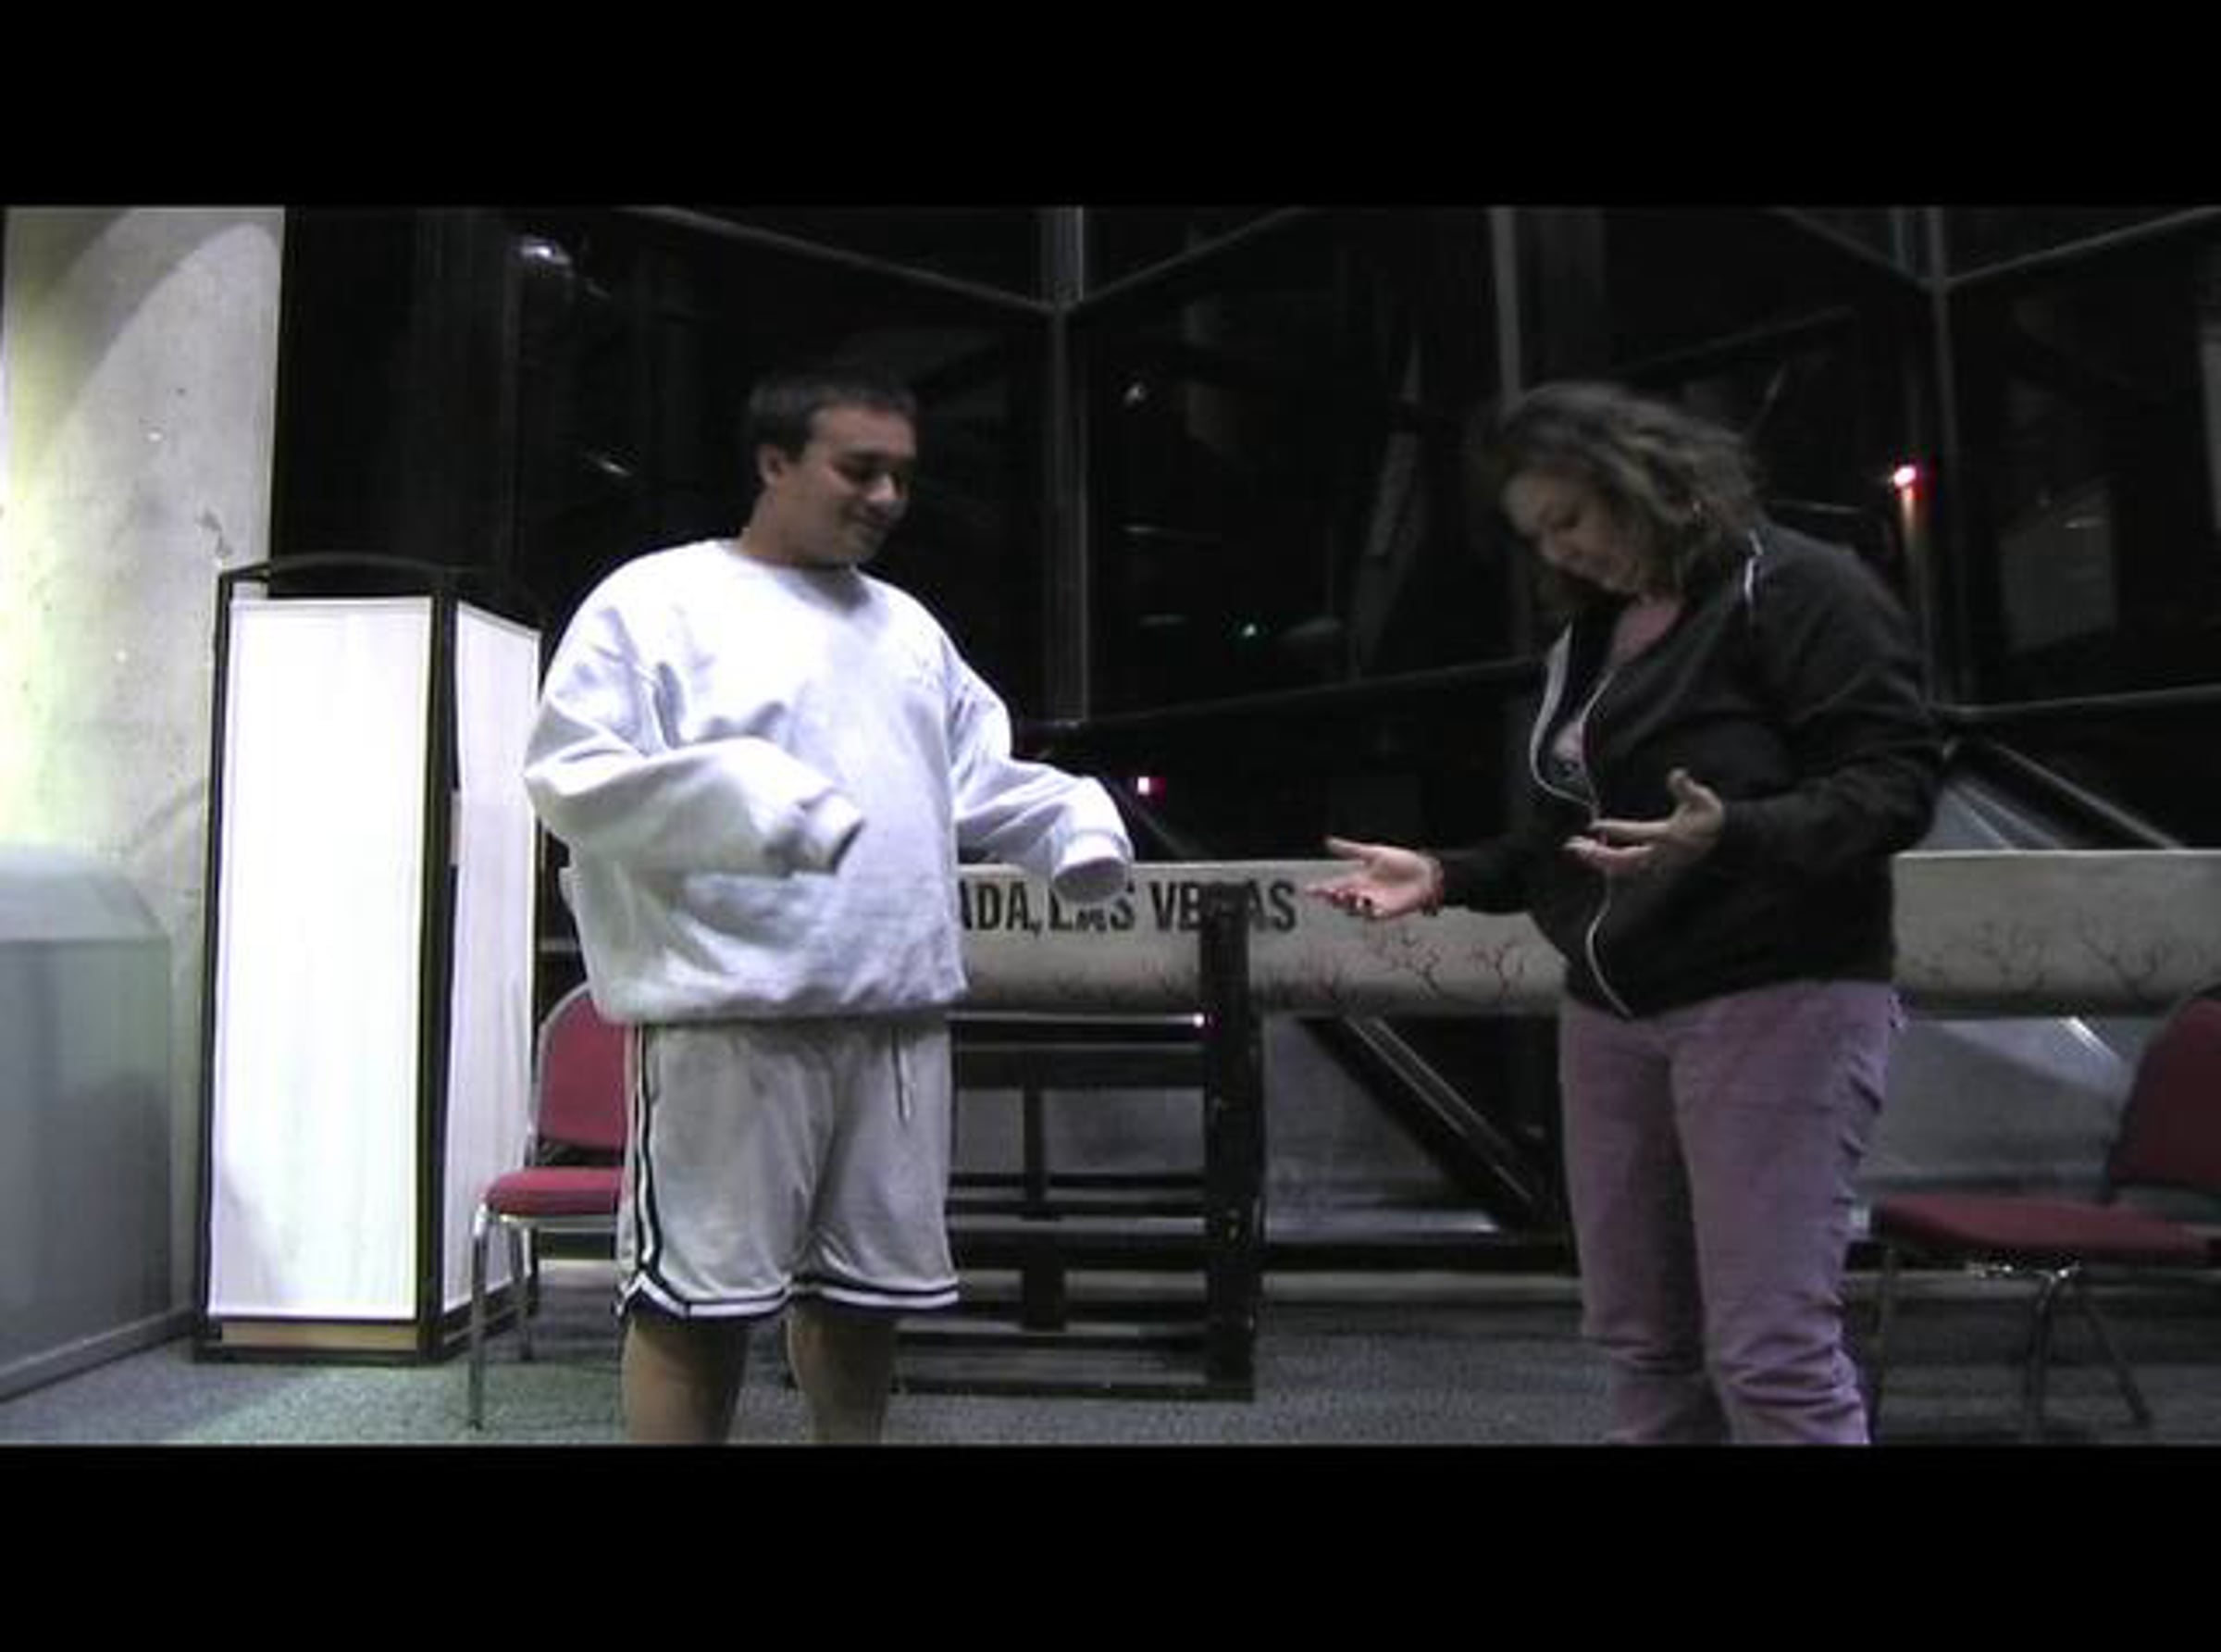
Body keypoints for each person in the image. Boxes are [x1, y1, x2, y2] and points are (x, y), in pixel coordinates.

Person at [1311, 380, 1942, 1445]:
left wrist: (1732, 832)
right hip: (1613, 1008)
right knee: (1642, 1336)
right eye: (1538, 536)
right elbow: (1571, 835)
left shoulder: (1796, 588)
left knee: (1769, 1352)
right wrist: (1448, 874)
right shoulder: (1596, 638)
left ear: (1641, 480)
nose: (1561, 551)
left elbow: (1895, 783)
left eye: (1572, 518)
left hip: (1773, 995)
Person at [523, 365, 1133, 1444]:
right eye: (859, 469)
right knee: (695, 1301)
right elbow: (573, 776)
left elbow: (974, 774)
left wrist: (1074, 824)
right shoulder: (656, 602)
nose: (887, 497)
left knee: (864, 1298)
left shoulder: (906, 629)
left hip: (895, 1017)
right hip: (731, 1018)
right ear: (775, 462)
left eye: (902, 475)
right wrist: (748, 798)